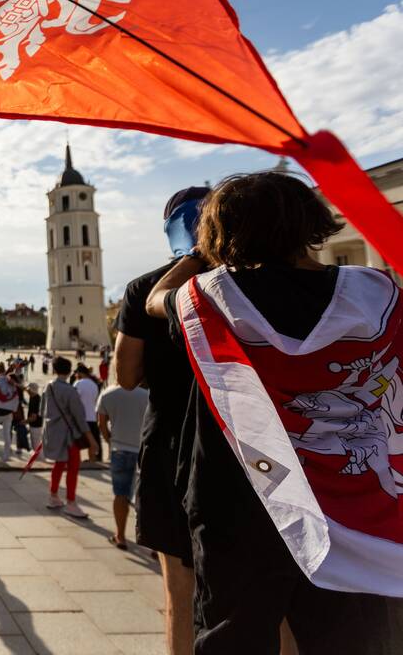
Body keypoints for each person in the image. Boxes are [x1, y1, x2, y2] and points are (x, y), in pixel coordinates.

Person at [145, 173, 403, 653]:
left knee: (234, 639)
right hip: (349, 505)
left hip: (239, 504)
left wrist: (200, 252)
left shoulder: (211, 297)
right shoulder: (376, 293)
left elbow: (154, 301)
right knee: (352, 639)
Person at [114, 185, 208, 655]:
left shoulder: (144, 289)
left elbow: (126, 375)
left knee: (180, 592)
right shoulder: (246, 281)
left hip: (172, 444)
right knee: (271, 591)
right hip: (252, 451)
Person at [43, 356, 99, 518]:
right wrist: (92, 440)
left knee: (59, 465)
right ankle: (71, 502)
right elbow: (79, 417)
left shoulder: (49, 387)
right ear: (69, 372)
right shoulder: (70, 390)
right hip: (68, 435)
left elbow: (44, 411)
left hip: (53, 432)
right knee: (73, 468)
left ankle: (53, 496)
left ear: (54, 369)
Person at [96, 382, 149, 549]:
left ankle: (120, 536)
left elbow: (101, 423)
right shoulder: (146, 395)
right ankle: (153, 544)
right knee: (147, 497)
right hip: (142, 449)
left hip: (119, 448)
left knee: (120, 494)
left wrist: (109, 440)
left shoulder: (108, 393)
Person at [73, 364, 102, 462]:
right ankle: (92, 460)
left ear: (80, 373)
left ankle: (77, 461)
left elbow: (74, 400)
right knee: (91, 441)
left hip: (81, 417)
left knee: (76, 441)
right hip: (92, 416)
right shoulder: (94, 384)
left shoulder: (78, 383)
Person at [26, 382, 43, 450]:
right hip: (36, 424)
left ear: (31, 390)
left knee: (36, 445)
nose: (27, 391)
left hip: (35, 425)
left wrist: (24, 422)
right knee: (36, 444)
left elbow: (34, 417)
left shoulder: (36, 400)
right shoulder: (34, 396)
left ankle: (41, 459)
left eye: (28, 390)